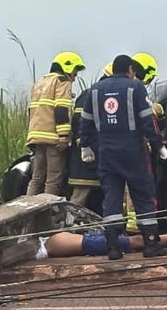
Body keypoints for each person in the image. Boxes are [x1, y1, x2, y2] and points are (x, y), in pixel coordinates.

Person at [79, 54, 167, 260]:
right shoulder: (135, 88)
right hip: (133, 152)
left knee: (111, 197)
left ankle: (112, 247)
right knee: (143, 195)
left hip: (106, 153)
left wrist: (85, 146)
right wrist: (159, 146)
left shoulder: (94, 90)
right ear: (129, 69)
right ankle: (150, 244)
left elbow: (85, 122)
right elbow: (147, 120)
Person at [26, 51, 86, 196]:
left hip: (36, 136)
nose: (74, 78)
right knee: (53, 178)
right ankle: (47, 212)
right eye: (75, 73)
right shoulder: (62, 82)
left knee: (37, 177)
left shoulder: (39, 82)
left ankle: (26, 209)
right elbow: (61, 110)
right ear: (68, 67)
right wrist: (64, 136)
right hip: (53, 137)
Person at [36, 213, 167, 258]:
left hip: (62, 241)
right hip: (61, 244)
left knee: (133, 241)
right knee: (134, 241)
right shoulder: (46, 247)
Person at [123, 52, 162, 233]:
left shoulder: (120, 88)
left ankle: (130, 223)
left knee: (124, 188)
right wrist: (157, 108)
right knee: (140, 186)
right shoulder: (137, 88)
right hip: (137, 145)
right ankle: (140, 226)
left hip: (117, 145)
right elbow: (146, 116)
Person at [68, 63, 113, 208]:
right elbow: (78, 122)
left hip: (102, 155)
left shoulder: (109, 96)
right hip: (87, 157)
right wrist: (84, 145)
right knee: (80, 196)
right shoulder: (90, 94)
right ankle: (70, 225)